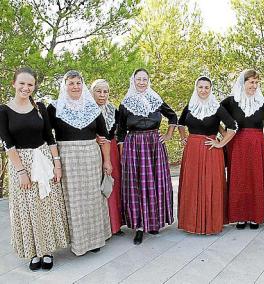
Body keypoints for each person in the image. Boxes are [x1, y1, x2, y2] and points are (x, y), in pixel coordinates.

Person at [0, 67, 69, 270]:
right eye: (22, 83)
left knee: (46, 206)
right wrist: (21, 172)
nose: (25, 87)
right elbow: (7, 143)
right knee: (27, 209)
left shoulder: (40, 107)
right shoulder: (3, 110)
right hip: (20, 164)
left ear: (34, 86)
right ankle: (33, 251)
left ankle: (47, 251)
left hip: (43, 161)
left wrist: (57, 164)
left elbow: (49, 136)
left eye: (30, 84)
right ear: (14, 84)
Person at [47, 70, 112, 256]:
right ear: (64, 85)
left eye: (78, 83)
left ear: (82, 85)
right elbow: (46, 136)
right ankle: (77, 241)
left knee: (93, 198)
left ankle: (95, 239)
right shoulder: (55, 108)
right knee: (73, 201)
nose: (75, 86)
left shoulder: (92, 108)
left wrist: (107, 161)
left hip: (91, 156)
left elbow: (104, 136)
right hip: (67, 157)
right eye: (71, 83)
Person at [117, 68, 177, 245]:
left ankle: (153, 222)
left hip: (154, 144)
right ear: (133, 81)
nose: (142, 82)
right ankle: (140, 226)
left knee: (155, 184)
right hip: (134, 145)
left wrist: (168, 135)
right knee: (138, 186)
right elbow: (121, 131)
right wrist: (123, 154)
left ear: (148, 81)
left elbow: (173, 115)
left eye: (144, 79)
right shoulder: (125, 103)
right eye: (138, 79)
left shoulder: (156, 100)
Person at [221, 69, 264, 229]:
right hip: (238, 143)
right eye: (251, 82)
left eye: (256, 82)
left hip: (256, 143)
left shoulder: (262, 101)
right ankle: (240, 216)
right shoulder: (231, 101)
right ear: (244, 83)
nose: (254, 85)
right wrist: (224, 134)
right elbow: (216, 113)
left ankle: (255, 216)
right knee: (239, 179)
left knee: (255, 178)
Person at [177, 76, 237, 235]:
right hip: (192, 151)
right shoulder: (189, 106)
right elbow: (180, 123)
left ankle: (211, 223)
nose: (203, 90)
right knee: (192, 184)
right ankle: (191, 223)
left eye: (206, 87)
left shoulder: (216, 107)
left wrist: (221, 143)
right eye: (200, 87)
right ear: (196, 88)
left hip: (211, 150)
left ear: (211, 89)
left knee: (211, 185)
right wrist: (183, 137)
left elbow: (232, 127)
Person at [91, 79, 123, 235]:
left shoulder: (113, 110)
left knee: (112, 185)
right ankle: (102, 227)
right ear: (92, 92)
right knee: (97, 187)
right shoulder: (86, 109)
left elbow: (120, 132)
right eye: (99, 91)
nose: (102, 95)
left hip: (112, 151)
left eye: (106, 91)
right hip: (93, 151)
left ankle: (115, 226)